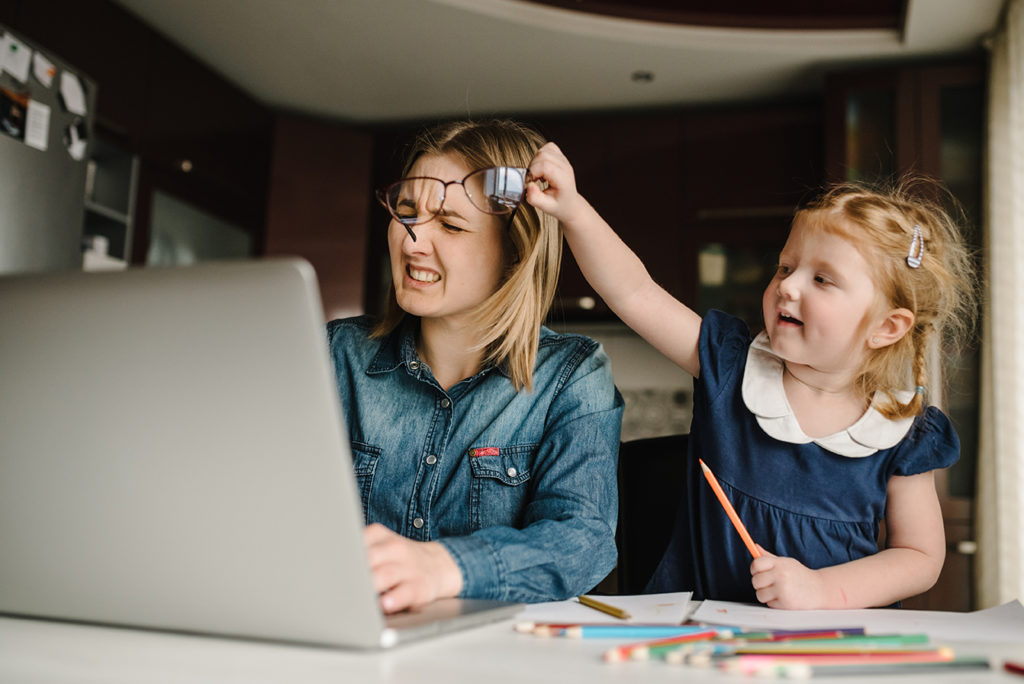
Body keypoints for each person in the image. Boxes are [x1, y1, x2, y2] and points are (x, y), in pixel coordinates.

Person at [526, 142, 976, 609]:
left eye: (822, 279)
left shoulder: (904, 429)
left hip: (829, 644)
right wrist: (573, 211)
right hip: (701, 636)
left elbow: (919, 557)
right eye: (786, 266)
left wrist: (822, 591)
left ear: (888, 327)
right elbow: (634, 292)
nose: (788, 285)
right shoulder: (730, 365)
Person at [326, 120, 624, 614]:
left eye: (450, 225)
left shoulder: (572, 376)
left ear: (515, 253)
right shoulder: (337, 355)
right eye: (406, 212)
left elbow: (582, 542)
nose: (412, 239)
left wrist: (446, 567)